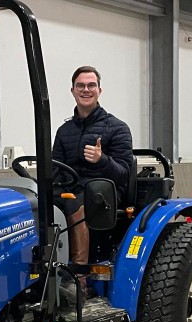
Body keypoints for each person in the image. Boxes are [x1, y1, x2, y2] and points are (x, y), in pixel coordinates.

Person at [52, 66, 134, 275]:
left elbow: (123, 173)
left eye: (91, 85)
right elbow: (56, 168)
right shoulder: (64, 131)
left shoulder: (117, 128)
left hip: (104, 191)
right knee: (39, 202)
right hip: (72, 187)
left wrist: (101, 160)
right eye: (80, 85)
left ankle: (79, 275)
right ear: (73, 90)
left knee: (75, 203)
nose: (85, 90)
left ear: (99, 90)